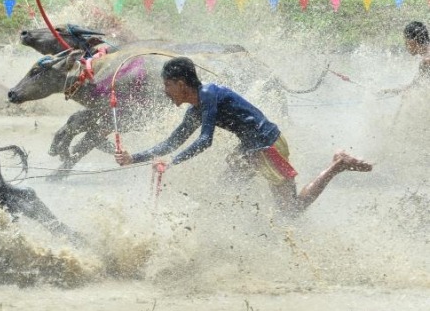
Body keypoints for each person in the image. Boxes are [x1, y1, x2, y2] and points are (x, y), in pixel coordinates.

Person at [113, 57, 372, 214]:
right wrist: (132, 158)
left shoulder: (208, 94)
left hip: (267, 146)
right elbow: (172, 141)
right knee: (223, 192)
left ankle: (338, 164)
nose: (166, 91)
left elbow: (206, 140)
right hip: (250, 150)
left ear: (181, 84)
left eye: (167, 85)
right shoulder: (195, 109)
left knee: (291, 210)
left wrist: (172, 162)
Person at [381, 21, 430, 95]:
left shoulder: (426, 61)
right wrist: (390, 91)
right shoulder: (424, 62)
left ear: (412, 41)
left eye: (405, 41)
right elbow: (416, 86)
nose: (405, 45)